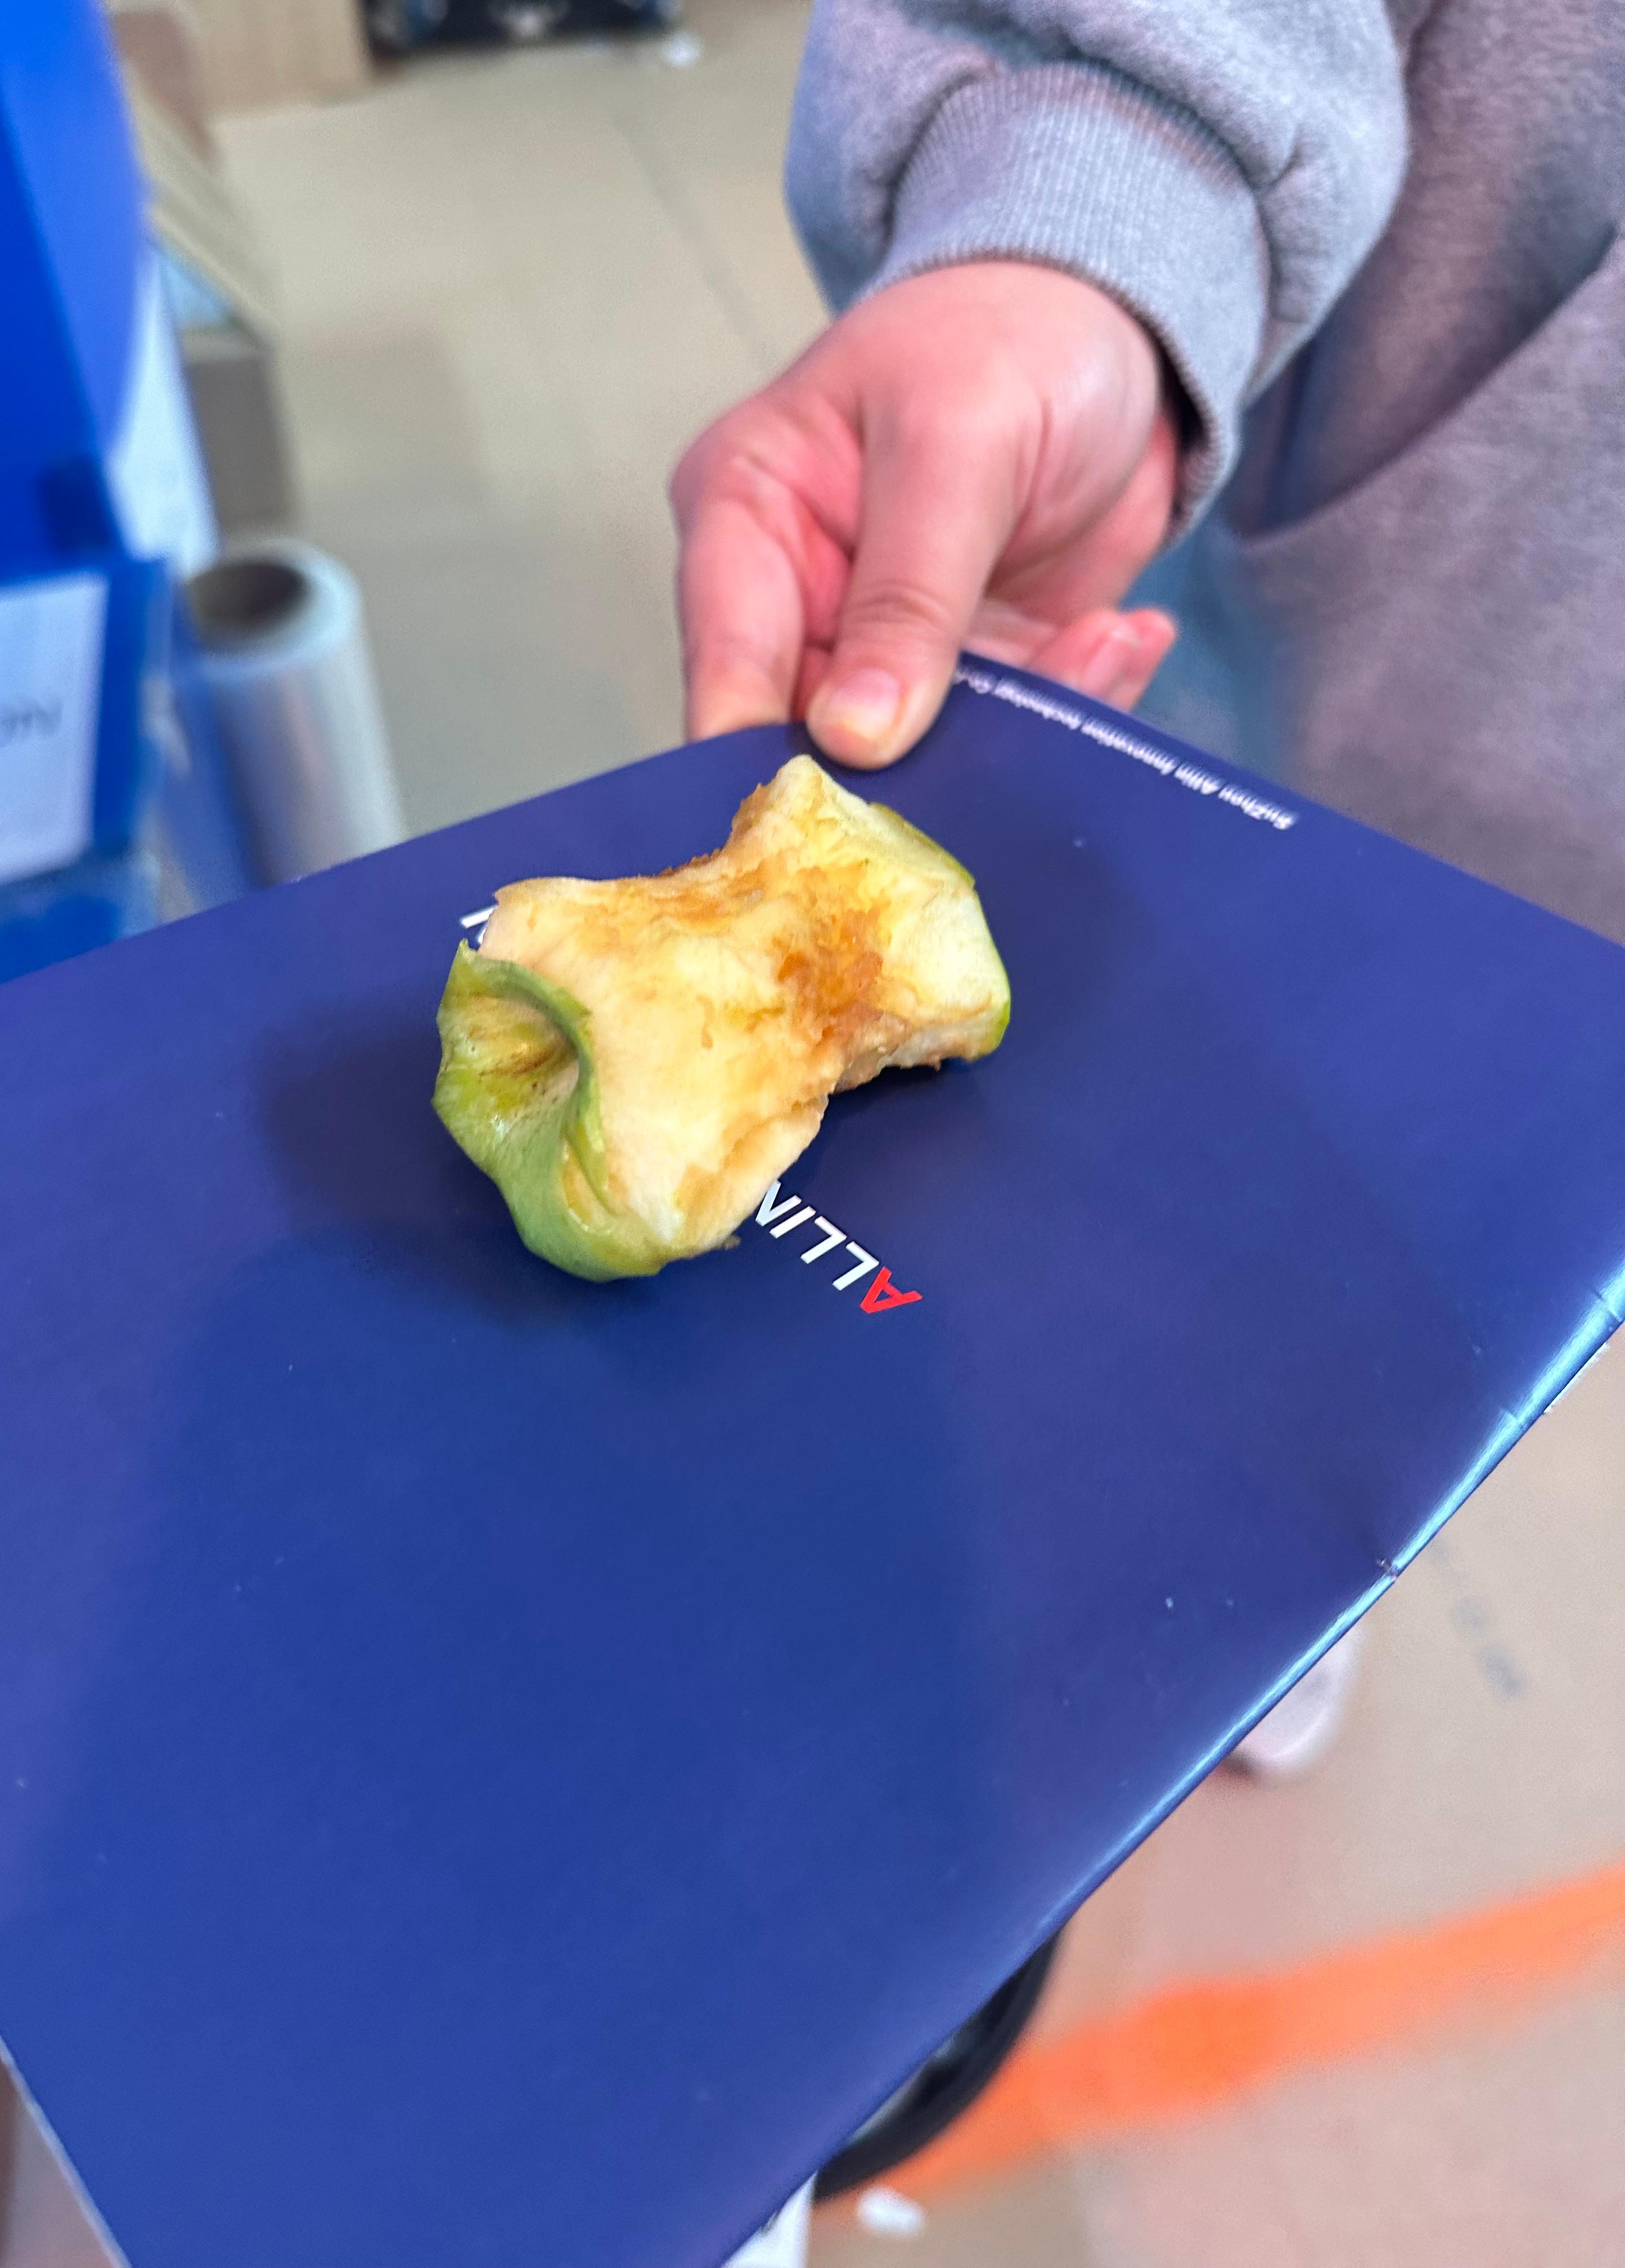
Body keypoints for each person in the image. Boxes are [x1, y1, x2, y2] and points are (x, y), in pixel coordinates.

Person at [669, 0, 1622, 1770]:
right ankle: (1161, 1521)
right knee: (1199, 1152)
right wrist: (1082, 224)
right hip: (1362, 699)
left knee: (1444, 1266)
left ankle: (1293, 1567)